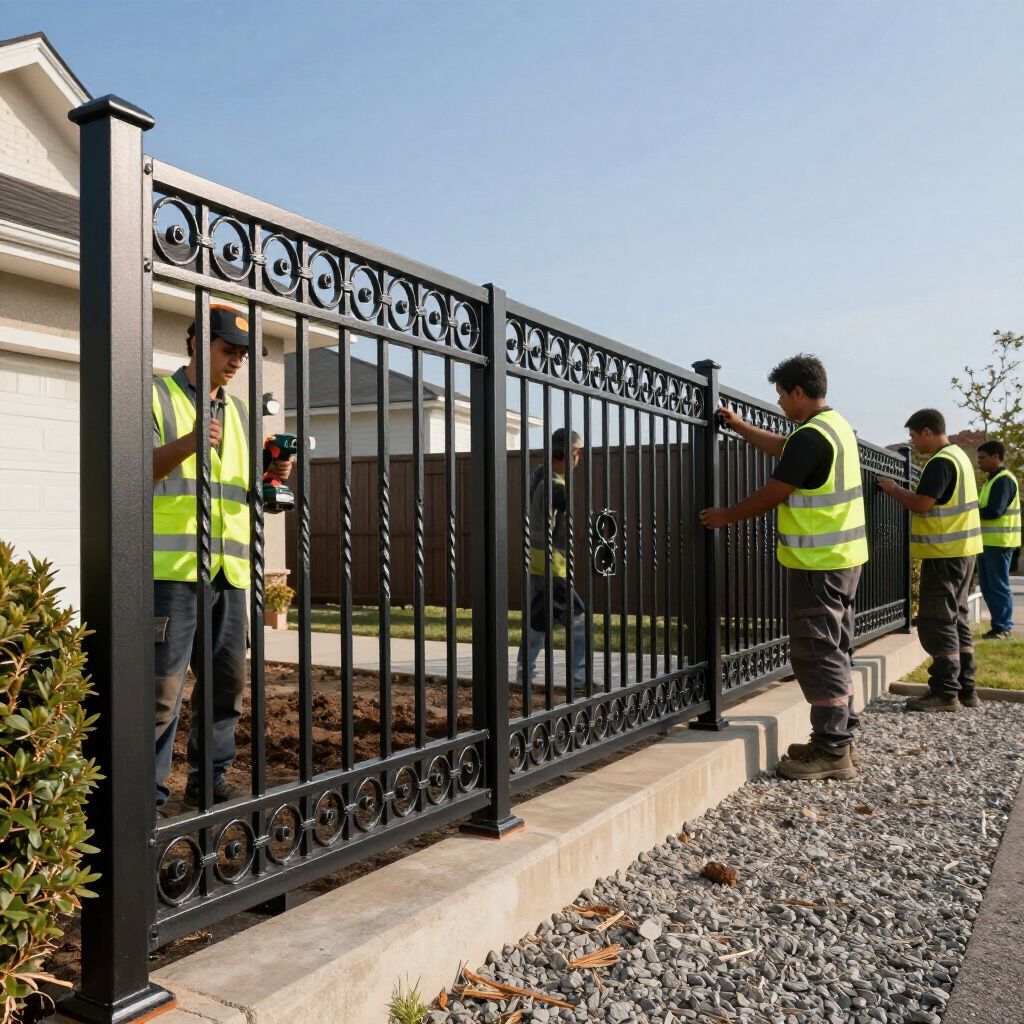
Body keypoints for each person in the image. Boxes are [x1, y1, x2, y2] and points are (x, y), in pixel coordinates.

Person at [699, 354, 867, 782]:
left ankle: (831, 752)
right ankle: (837, 738)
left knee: (816, 653)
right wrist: (739, 426)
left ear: (798, 392)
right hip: (843, 561)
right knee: (835, 648)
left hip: (818, 564)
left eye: (781, 396)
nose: (779, 404)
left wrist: (725, 515)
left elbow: (775, 492)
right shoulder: (835, 427)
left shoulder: (812, 437)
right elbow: (782, 446)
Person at [152, 304, 292, 809]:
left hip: (229, 572)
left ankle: (207, 781)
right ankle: (146, 796)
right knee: (160, 692)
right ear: (196, 343)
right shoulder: (155, 396)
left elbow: (247, 491)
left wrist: (275, 477)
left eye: (241, 355)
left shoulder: (238, 414)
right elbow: (133, 469)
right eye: (227, 351)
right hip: (171, 572)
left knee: (226, 685)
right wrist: (190, 442)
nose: (236, 363)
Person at [877, 409, 982, 710]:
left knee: (937, 621)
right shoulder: (960, 457)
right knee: (956, 617)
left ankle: (945, 692)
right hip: (964, 551)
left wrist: (894, 489)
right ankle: (966, 689)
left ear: (927, 431)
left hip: (944, 554)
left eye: (913, 436)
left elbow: (923, 504)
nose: (913, 443)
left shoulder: (940, 462)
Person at [517, 428, 587, 688]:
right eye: (578, 451)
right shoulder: (556, 487)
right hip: (552, 565)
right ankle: (579, 679)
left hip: (537, 562)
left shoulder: (540, 476)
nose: (580, 457)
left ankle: (524, 676)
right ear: (569, 453)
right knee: (578, 618)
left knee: (538, 621)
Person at [976, 439, 1020, 639]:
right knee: (988, 586)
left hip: (999, 543)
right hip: (988, 543)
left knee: (998, 586)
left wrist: (970, 512)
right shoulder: (992, 481)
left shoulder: (1003, 480)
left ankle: (1003, 627)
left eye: (982, 458)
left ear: (996, 457)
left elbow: (994, 511)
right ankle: (998, 625)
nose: (979, 462)